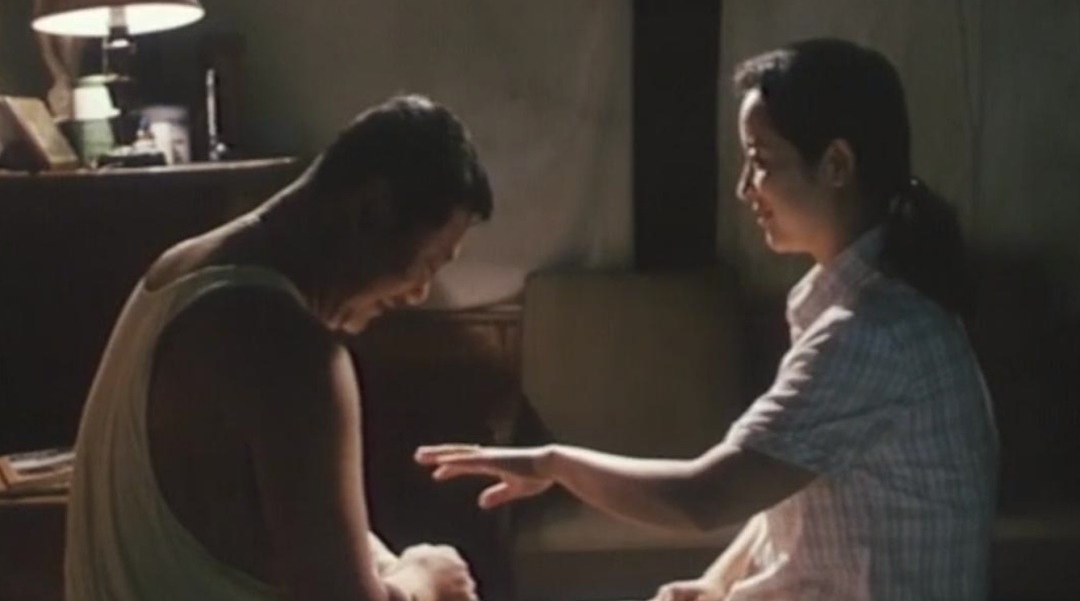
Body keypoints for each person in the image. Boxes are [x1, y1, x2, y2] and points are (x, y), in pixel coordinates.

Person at [417, 39, 998, 600]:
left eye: (761, 162)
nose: (745, 188)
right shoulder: (854, 308)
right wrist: (718, 581)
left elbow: (704, 497)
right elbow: (787, 478)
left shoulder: (872, 334)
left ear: (836, 164)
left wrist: (556, 463)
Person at [65, 95, 494, 601]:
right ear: (372, 208)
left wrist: (382, 568)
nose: (419, 293)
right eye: (429, 263)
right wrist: (427, 579)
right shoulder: (290, 349)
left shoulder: (178, 271)